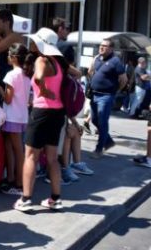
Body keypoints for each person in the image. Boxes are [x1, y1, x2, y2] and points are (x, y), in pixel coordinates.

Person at [13, 28, 67, 212]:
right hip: (57, 112)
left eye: (35, 41)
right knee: (52, 158)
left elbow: (38, 77)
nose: (32, 44)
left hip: (42, 112)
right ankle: (55, 198)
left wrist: (43, 90)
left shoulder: (41, 59)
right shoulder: (59, 63)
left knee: (31, 156)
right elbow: (75, 74)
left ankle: (26, 199)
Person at [52, 17, 93, 184]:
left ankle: (74, 164)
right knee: (68, 133)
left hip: (56, 104)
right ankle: (64, 169)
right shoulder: (63, 50)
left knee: (73, 130)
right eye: (67, 27)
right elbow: (68, 67)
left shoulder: (48, 56)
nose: (69, 31)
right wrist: (77, 73)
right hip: (55, 105)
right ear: (60, 29)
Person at [0, 43, 30, 195]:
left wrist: (0, 89)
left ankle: (19, 183)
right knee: (12, 147)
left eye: (9, 54)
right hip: (21, 115)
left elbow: (7, 99)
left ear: (14, 58)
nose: (7, 56)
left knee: (17, 150)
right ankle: (11, 180)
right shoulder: (27, 74)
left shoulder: (11, 75)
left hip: (12, 115)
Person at [88, 38, 127, 158]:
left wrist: (115, 91)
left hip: (106, 96)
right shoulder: (97, 58)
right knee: (94, 120)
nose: (101, 47)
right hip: (94, 94)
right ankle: (108, 141)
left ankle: (99, 149)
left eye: (104, 46)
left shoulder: (116, 61)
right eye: (100, 45)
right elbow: (90, 72)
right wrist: (92, 63)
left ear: (111, 48)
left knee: (102, 121)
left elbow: (123, 80)